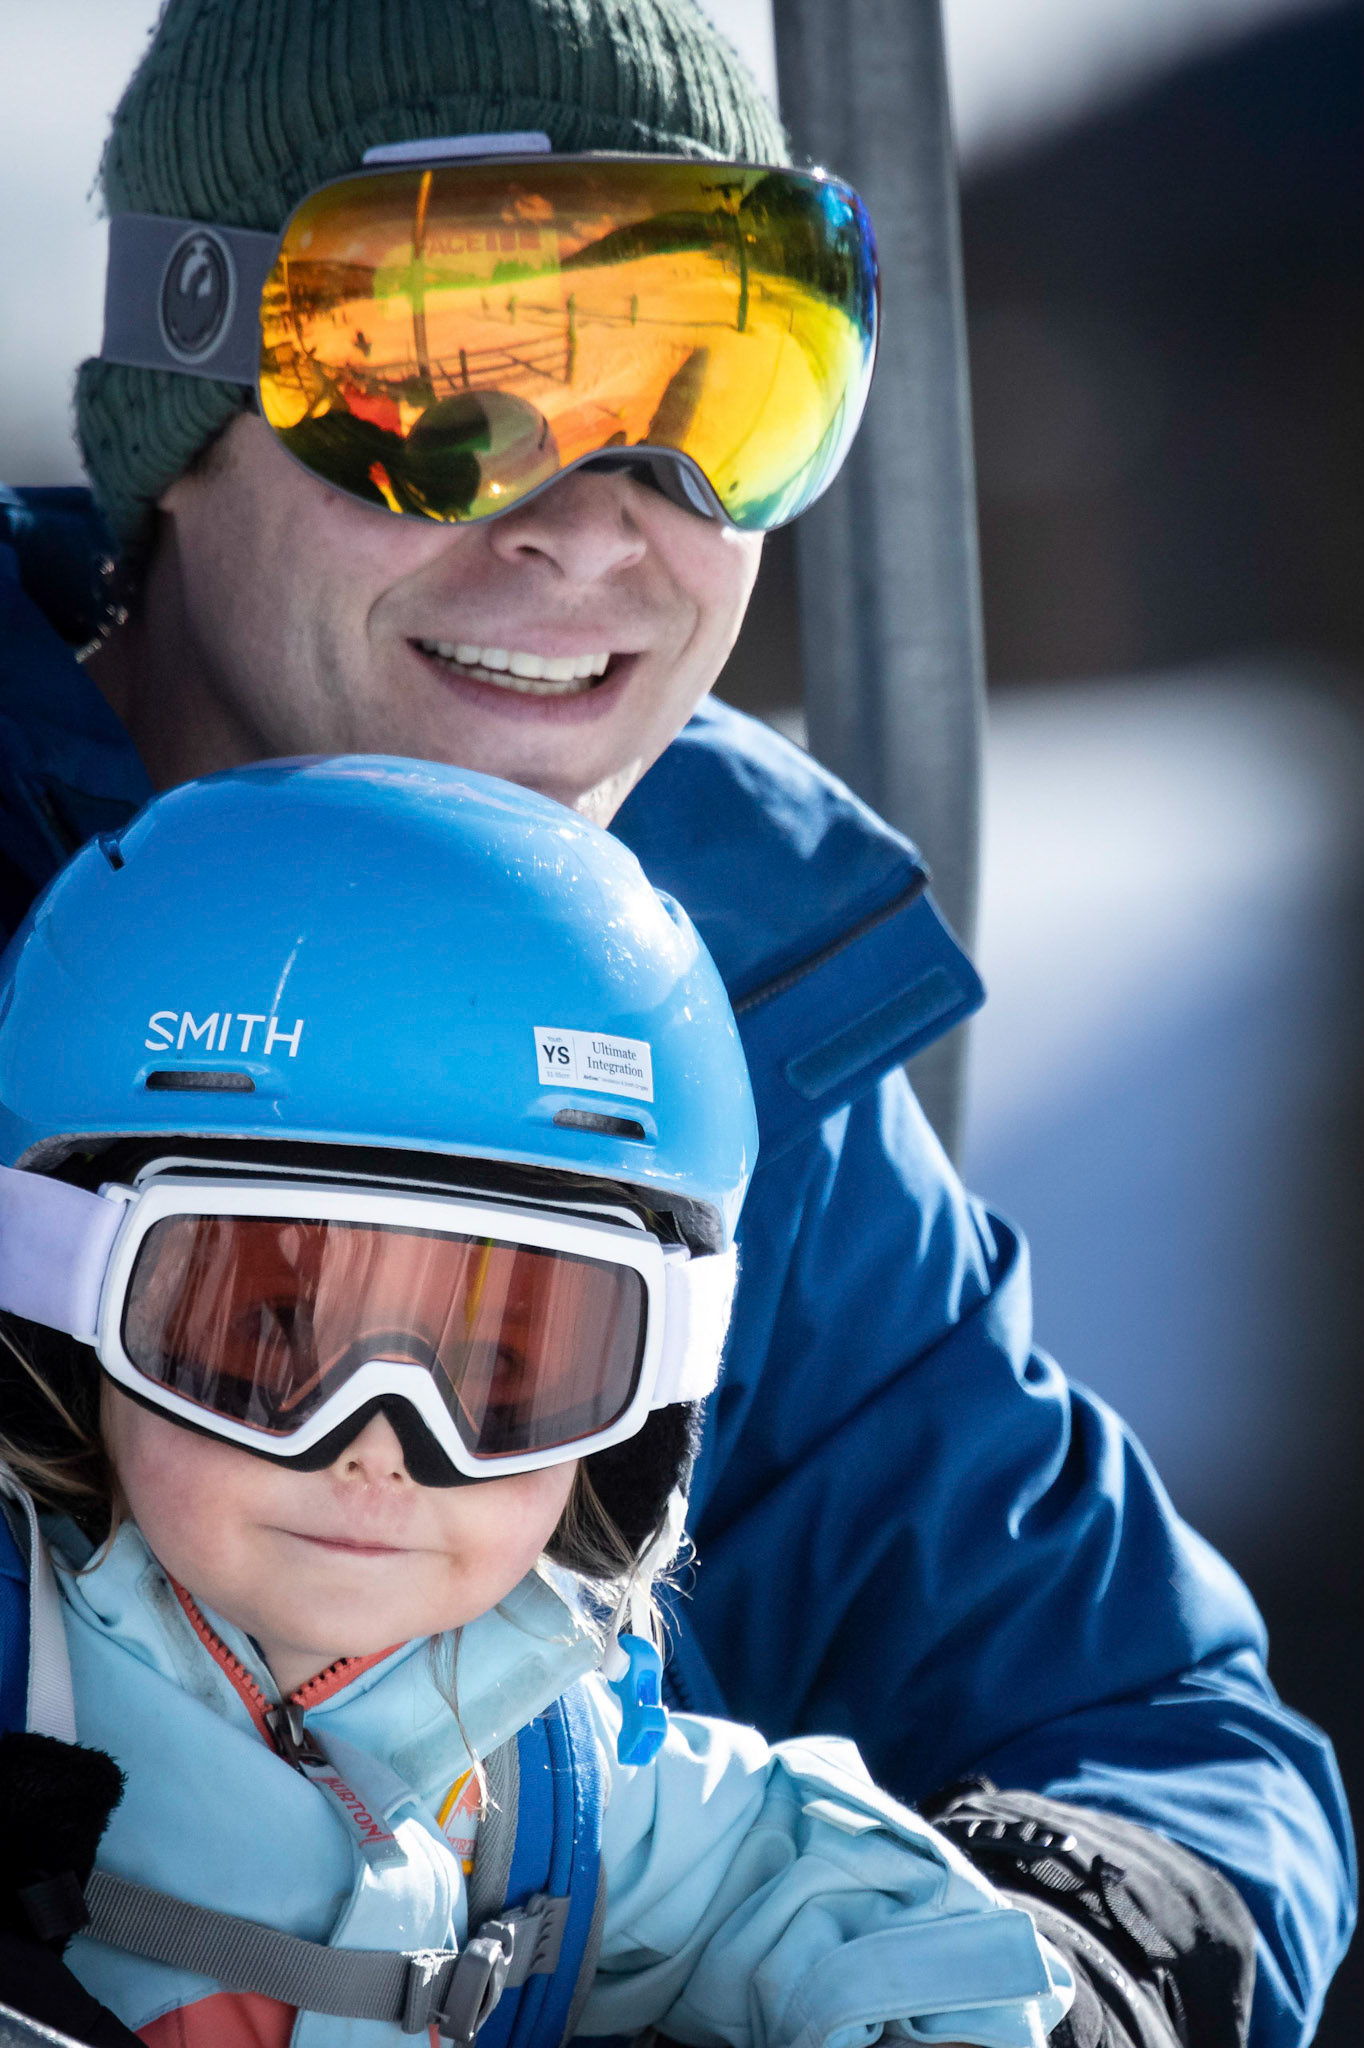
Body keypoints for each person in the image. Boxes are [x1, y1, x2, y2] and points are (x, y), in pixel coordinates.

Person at [0, 3, 1352, 2045]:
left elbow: (1133, 1712)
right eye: (451, 389)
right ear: (185, 388)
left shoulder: (722, 1021)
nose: (597, 529)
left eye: (723, 386)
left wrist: (1057, 1969)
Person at [0, 753, 1077, 2048]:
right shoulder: (26, 1679)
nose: (384, 1449)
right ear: (61, 1318)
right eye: (268, 1334)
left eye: (506, 1373)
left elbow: (806, 1892)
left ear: (640, 1409)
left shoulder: (544, 1761)